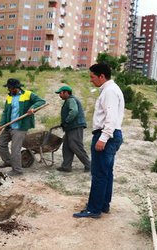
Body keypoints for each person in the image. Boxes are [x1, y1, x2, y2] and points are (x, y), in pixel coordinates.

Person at [73, 63, 124, 218]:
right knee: (106, 172)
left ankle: (94, 209)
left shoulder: (109, 91)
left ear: (102, 76)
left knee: (99, 174)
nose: (91, 80)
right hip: (111, 134)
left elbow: (111, 118)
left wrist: (103, 138)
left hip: (106, 135)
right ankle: (103, 205)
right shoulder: (111, 90)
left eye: (92, 77)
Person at [0, 78, 46, 176]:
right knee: (0, 142)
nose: (9, 90)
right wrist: (1, 124)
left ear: (16, 88)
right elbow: (5, 112)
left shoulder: (27, 94)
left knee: (15, 149)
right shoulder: (9, 97)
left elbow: (41, 101)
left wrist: (32, 108)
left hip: (20, 127)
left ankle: (17, 170)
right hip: (9, 126)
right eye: (8, 88)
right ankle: (8, 161)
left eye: (11, 88)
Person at [55, 85, 91, 172]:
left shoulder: (71, 100)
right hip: (71, 127)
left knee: (76, 146)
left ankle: (89, 165)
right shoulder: (68, 100)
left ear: (66, 93)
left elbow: (74, 111)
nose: (59, 95)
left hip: (75, 126)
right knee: (66, 146)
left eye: (60, 93)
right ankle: (66, 166)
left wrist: (66, 121)